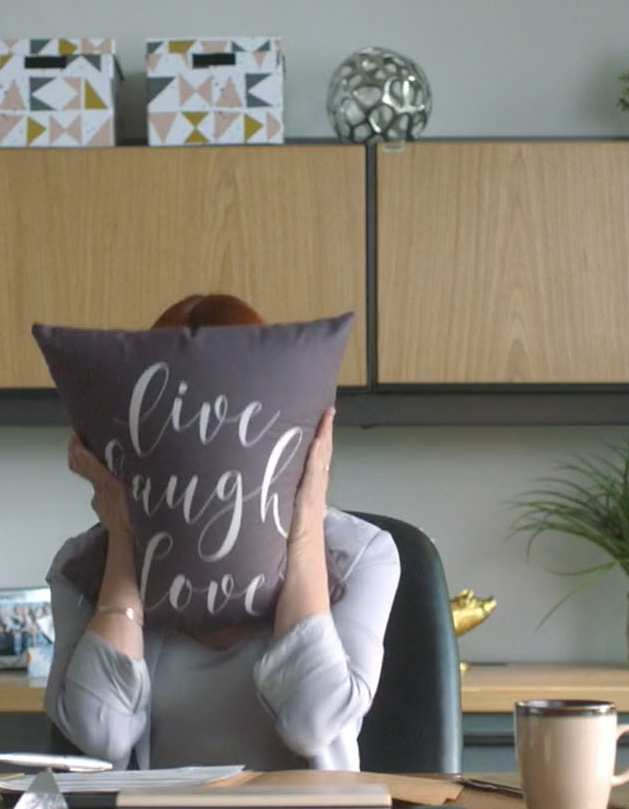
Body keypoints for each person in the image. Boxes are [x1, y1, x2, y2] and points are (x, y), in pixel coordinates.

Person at [41, 294, 400, 770]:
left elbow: (313, 722)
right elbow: (101, 732)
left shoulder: (360, 559)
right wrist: (124, 539)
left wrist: (306, 524)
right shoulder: (81, 572)